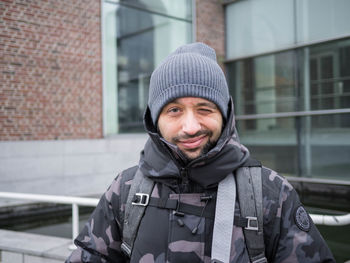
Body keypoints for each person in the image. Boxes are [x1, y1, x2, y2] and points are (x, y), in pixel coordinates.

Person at [66, 42, 335, 263]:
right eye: (174, 110)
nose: (191, 127)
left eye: (204, 108)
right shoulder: (124, 190)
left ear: (226, 114)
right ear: (154, 120)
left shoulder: (271, 194)